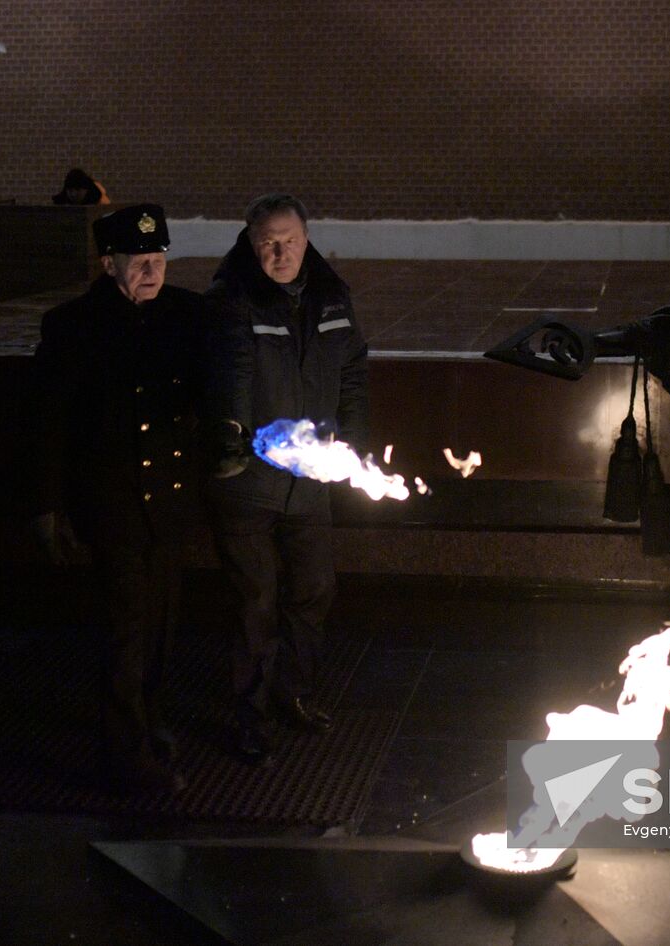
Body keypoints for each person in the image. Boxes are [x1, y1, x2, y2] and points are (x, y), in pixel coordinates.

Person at [29, 203, 211, 794]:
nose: (151, 272)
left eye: (158, 260)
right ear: (110, 264)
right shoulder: (73, 327)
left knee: (161, 625)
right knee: (125, 632)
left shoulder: (185, 316)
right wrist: (48, 505)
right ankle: (125, 754)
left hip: (170, 501)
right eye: (139, 262)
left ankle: (148, 719)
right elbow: (48, 424)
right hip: (113, 504)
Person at [204, 193, 369, 763]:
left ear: (307, 236)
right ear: (251, 244)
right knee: (256, 601)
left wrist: (352, 446)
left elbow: (351, 373)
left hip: (310, 483)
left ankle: (292, 695)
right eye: (267, 243)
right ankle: (247, 715)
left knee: (313, 589)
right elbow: (230, 376)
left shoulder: (331, 297)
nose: (280, 252)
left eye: (289, 240)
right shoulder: (231, 300)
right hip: (249, 483)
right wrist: (231, 443)